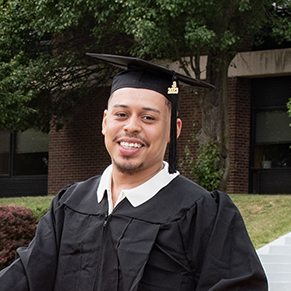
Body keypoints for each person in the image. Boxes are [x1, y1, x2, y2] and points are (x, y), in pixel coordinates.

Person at [0, 54, 268, 291]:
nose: (131, 127)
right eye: (121, 114)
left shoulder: (203, 213)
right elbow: (25, 277)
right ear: (105, 122)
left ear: (173, 131)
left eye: (148, 118)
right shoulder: (70, 204)